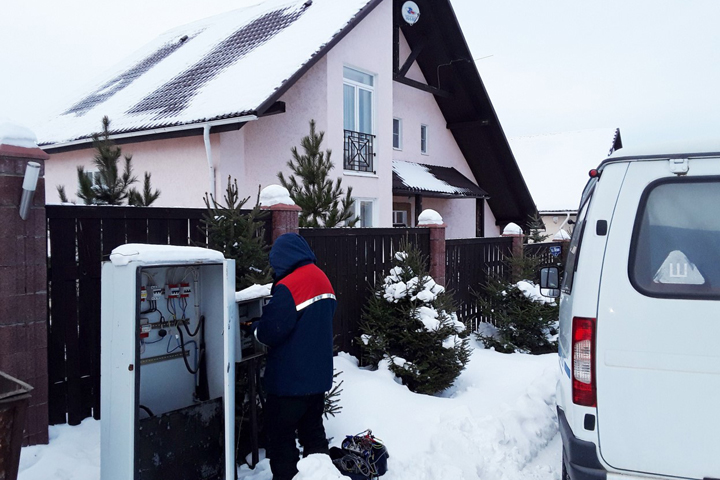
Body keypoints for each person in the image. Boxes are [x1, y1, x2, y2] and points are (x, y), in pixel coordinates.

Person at [253, 233, 336, 480]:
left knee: (281, 438)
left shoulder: (290, 285)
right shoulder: (322, 278)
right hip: (317, 377)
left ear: (281, 258)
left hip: (290, 381)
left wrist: (254, 328)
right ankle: (321, 475)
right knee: (313, 433)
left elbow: (271, 331)